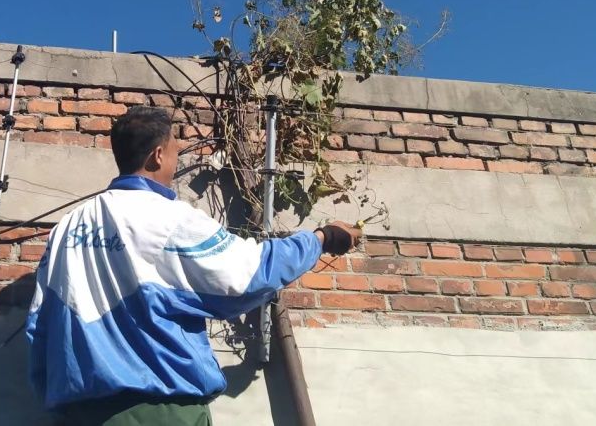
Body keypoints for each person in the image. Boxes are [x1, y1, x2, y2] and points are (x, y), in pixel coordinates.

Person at [25, 105, 362, 425]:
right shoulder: (166, 218)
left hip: (75, 414)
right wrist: (320, 239)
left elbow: (38, 326)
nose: (176, 160)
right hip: (160, 414)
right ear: (158, 155)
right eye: (175, 150)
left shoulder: (67, 227)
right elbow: (249, 275)